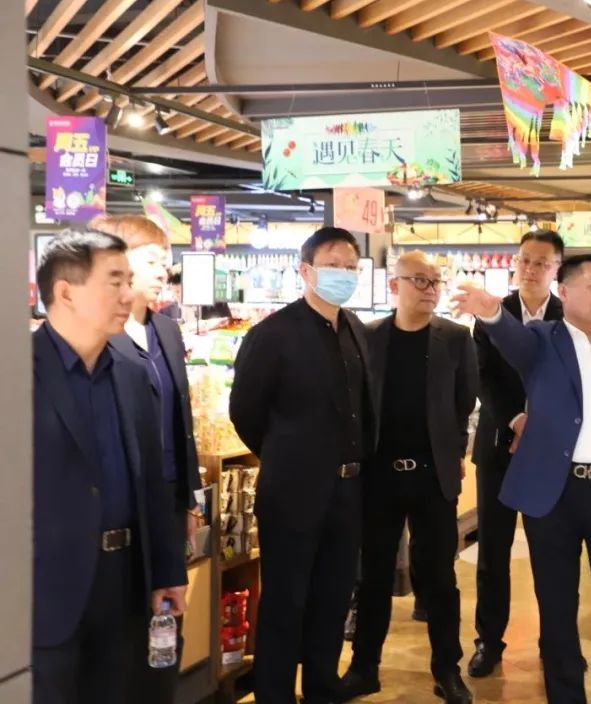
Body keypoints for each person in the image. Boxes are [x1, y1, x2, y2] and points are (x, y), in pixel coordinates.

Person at [452, 254, 591, 704]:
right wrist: (490, 310)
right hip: (555, 494)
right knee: (557, 608)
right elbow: (509, 338)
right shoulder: (542, 341)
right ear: (563, 292)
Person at [32, 230, 187, 704]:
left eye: (128, 280)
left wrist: (167, 570)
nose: (127, 294)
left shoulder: (131, 375)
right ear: (65, 292)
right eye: (114, 281)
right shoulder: (18, 373)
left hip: (125, 584)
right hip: (44, 593)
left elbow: (153, 483)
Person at [229, 227, 372, 704]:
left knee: (333, 598)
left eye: (351, 267)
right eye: (333, 265)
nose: (344, 274)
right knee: (285, 601)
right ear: (306, 271)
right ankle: (274, 694)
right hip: (292, 492)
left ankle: (322, 687)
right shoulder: (272, 335)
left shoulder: (354, 329)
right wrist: (287, 455)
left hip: (348, 491)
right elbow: (245, 412)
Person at [344, 251, 478, 704]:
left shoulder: (455, 338)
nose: (429, 289)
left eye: (435, 281)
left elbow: (464, 401)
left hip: (432, 476)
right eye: (419, 280)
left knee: (439, 577)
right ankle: (364, 668)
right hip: (379, 475)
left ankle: (447, 670)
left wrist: (453, 450)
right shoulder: (368, 337)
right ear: (394, 285)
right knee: (373, 575)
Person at [90, 215, 203, 704]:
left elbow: (182, 420)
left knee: (166, 627)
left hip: (168, 503)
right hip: (120, 509)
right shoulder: (98, 336)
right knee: (123, 632)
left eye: (167, 261)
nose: (164, 271)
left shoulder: (166, 331)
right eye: (154, 260)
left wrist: (191, 498)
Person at [468, 230, 564, 677]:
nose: (530, 269)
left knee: (554, 552)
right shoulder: (493, 312)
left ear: (556, 268)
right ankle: (488, 642)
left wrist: (540, 421)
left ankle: (557, 643)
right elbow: (482, 377)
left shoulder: (568, 315)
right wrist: (516, 418)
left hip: (551, 454)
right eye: (525, 259)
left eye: (541, 262)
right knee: (493, 551)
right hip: (498, 447)